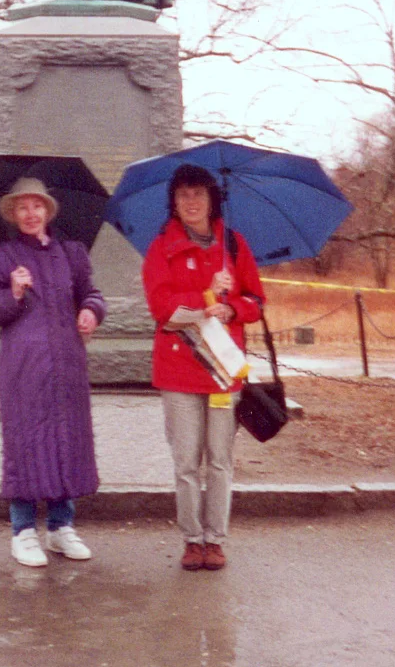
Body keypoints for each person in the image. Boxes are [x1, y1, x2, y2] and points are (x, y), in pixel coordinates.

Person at [0, 177, 106, 567]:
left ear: (48, 210)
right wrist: (12, 293)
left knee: (67, 437)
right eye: (22, 208)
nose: (31, 214)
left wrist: (90, 311)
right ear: (13, 214)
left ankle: (61, 528)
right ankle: (23, 532)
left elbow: (91, 293)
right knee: (28, 442)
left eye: (37, 206)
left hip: (68, 365)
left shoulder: (72, 252)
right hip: (24, 369)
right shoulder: (1, 255)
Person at [142, 164, 264, 571]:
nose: (190, 202)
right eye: (182, 195)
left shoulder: (234, 244)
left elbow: (257, 302)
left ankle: (216, 539)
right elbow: (161, 306)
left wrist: (232, 308)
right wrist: (206, 294)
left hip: (221, 373)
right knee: (186, 461)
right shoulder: (160, 248)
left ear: (212, 199)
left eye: (198, 194)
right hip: (179, 369)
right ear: (173, 203)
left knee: (220, 460)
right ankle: (192, 539)